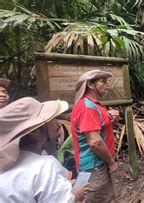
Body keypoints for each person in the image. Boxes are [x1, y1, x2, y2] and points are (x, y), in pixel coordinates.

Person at [0, 97, 87, 202]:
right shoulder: (45, 166)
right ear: (35, 132)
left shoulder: (6, 164)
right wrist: (74, 195)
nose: (58, 123)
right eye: (51, 119)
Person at [71, 70, 120, 202]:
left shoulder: (93, 104)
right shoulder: (88, 107)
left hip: (97, 164)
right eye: (103, 82)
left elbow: (100, 130)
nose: (107, 85)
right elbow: (94, 141)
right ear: (91, 85)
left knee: (106, 198)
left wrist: (112, 120)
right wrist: (111, 162)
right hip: (94, 166)